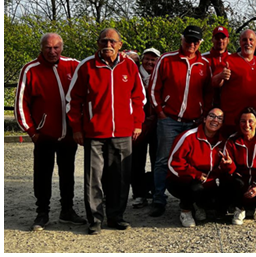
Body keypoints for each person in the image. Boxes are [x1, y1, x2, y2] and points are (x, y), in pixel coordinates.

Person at [66, 28, 145, 234]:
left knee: (120, 177)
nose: (108, 45)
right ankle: (95, 219)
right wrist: (77, 128)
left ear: (120, 45)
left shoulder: (130, 66)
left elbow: (139, 98)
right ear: (98, 44)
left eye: (112, 41)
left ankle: (116, 216)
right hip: (95, 132)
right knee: (94, 178)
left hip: (122, 132)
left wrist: (137, 123)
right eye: (104, 41)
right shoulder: (86, 66)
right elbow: (73, 100)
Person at [16, 33, 86, 230]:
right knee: (42, 174)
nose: (52, 51)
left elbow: (93, 70)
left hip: (69, 135)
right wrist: (31, 131)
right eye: (48, 47)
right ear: (41, 48)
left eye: (56, 47)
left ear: (62, 48)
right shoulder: (30, 70)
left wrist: (124, 57)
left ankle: (67, 210)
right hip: (44, 135)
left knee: (68, 173)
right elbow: (21, 103)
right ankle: (42, 212)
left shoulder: (73, 65)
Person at [146, 25, 210, 218]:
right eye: (188, 40)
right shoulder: (167, 59)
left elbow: (208, 92)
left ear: (200, 43)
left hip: (193, 122)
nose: (191, 44)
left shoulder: (204, 64)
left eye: (195, 41)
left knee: (192, 161)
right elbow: (153, 87)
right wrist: (159, 111)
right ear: (182, 39)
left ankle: (190, 200)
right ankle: (158, 199)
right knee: (163, 160)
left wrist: (203, 114)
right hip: (170, 119)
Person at [165, 108, 226, 228]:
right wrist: (195, 174)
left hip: (206, 181)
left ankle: (198, 205)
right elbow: (173, 163)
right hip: (182, 179)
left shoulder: (222, 141)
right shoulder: (188, 136)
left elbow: (223, 169)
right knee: (195, 188)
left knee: (214, 203)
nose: (215, 120)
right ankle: (185, 211)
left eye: (219, 118)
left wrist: (227, 165)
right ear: (204, 119)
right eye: (212, 116)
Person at [221, 107, 256, 225]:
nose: (247, 125)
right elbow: (230, 170)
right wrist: (229, 165)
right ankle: (240, 208)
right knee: (234, 183)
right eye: (243, 121)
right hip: (241, 179)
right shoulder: (232, 140)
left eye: (250, 121)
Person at [210, 30, 256, 139]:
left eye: (251, 40)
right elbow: (214, 83)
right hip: (231, 120)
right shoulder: (229, 60)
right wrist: (221, 75)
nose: (248, 43)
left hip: (251, 123)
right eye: (244, 40)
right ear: (240, 42)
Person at [131, 48, 159, 209]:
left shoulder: (159, 75)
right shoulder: (134, 73)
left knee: (157, 159)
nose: (150, 62)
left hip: (156, 123)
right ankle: (139, 193)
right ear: (142, 60)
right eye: (147, 59)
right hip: (138, 124)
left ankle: (156, 191)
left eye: (153, 60)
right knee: (137, 160)